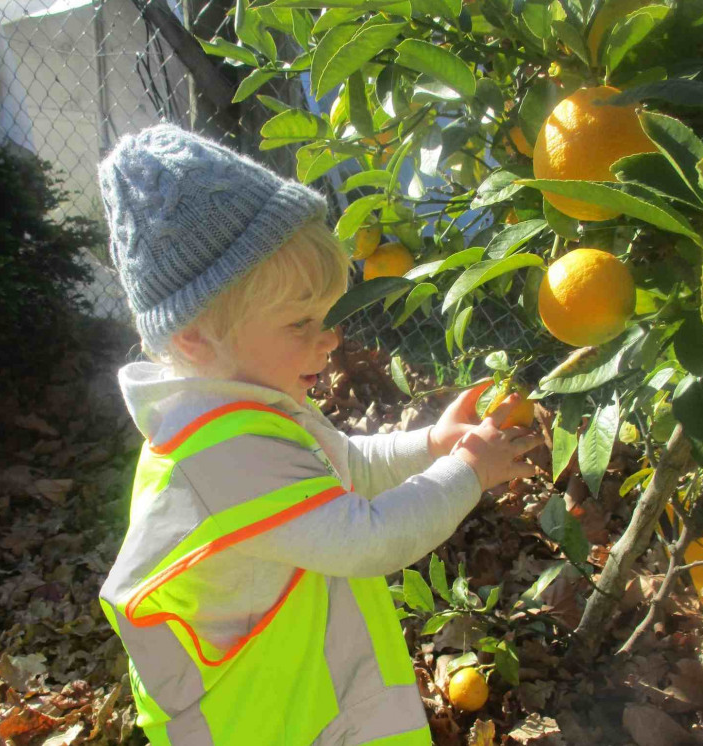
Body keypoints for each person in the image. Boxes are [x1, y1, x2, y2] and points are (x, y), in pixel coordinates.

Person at [97, 123, 543, 746]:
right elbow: (368, 538)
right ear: (195, 337)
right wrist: (467, 469)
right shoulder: (221, 455)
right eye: (301, 322)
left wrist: (430, 445)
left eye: (327, 314)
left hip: (307, 703)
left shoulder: (236, 415)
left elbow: (343, 468)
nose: (329, 338)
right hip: (273, 722)